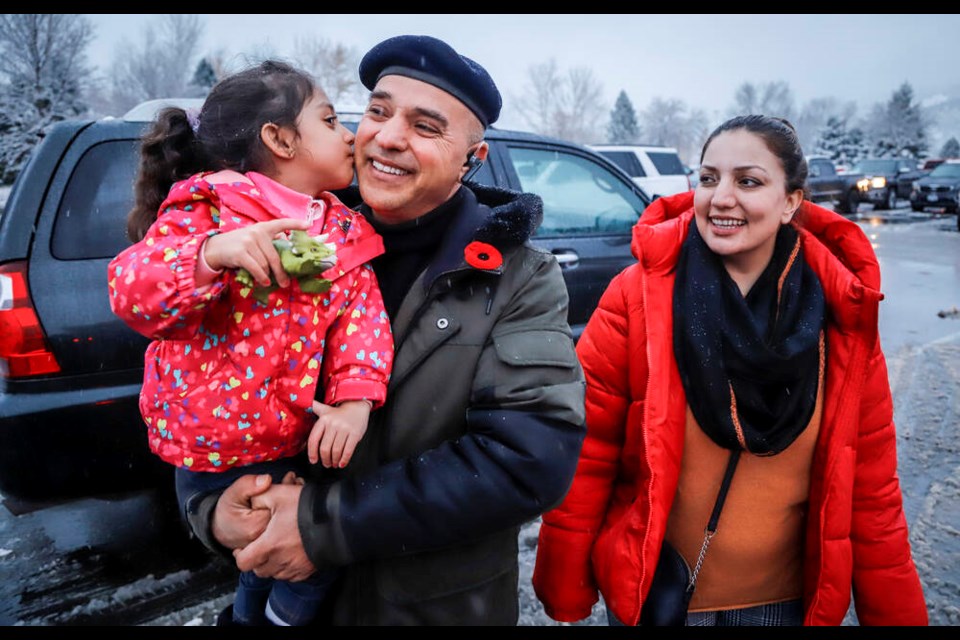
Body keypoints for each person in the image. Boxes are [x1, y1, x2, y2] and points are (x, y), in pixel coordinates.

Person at [179, 35, 587, 626]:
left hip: (428, 610)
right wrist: (210, 507)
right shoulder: (286, 240)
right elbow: (205, 389)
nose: (388, 136)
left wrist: (324, 527)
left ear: (471, 159)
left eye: (425, 125)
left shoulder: (517, 278)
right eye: (377, 110)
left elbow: (528, 459)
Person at [532, 114, 928, 627]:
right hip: (660, 595)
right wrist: (565, 579)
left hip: (780, 605)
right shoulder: (639, 296)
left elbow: (872, 489)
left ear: (792, 202)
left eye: (749, 181)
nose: (721, 197)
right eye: (709, 178)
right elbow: (590, 448)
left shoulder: (841, 313)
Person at [107, 59, 394, 626]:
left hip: (290, 442)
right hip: (209, 450)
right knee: (280, 560)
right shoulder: (207, 208)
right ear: (281, 139)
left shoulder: (340, 231)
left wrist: (356, 401)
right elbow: (131, 291)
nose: (349, 135)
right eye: (331, 120)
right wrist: (211, 254)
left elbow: (364, 324)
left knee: (290, 560)